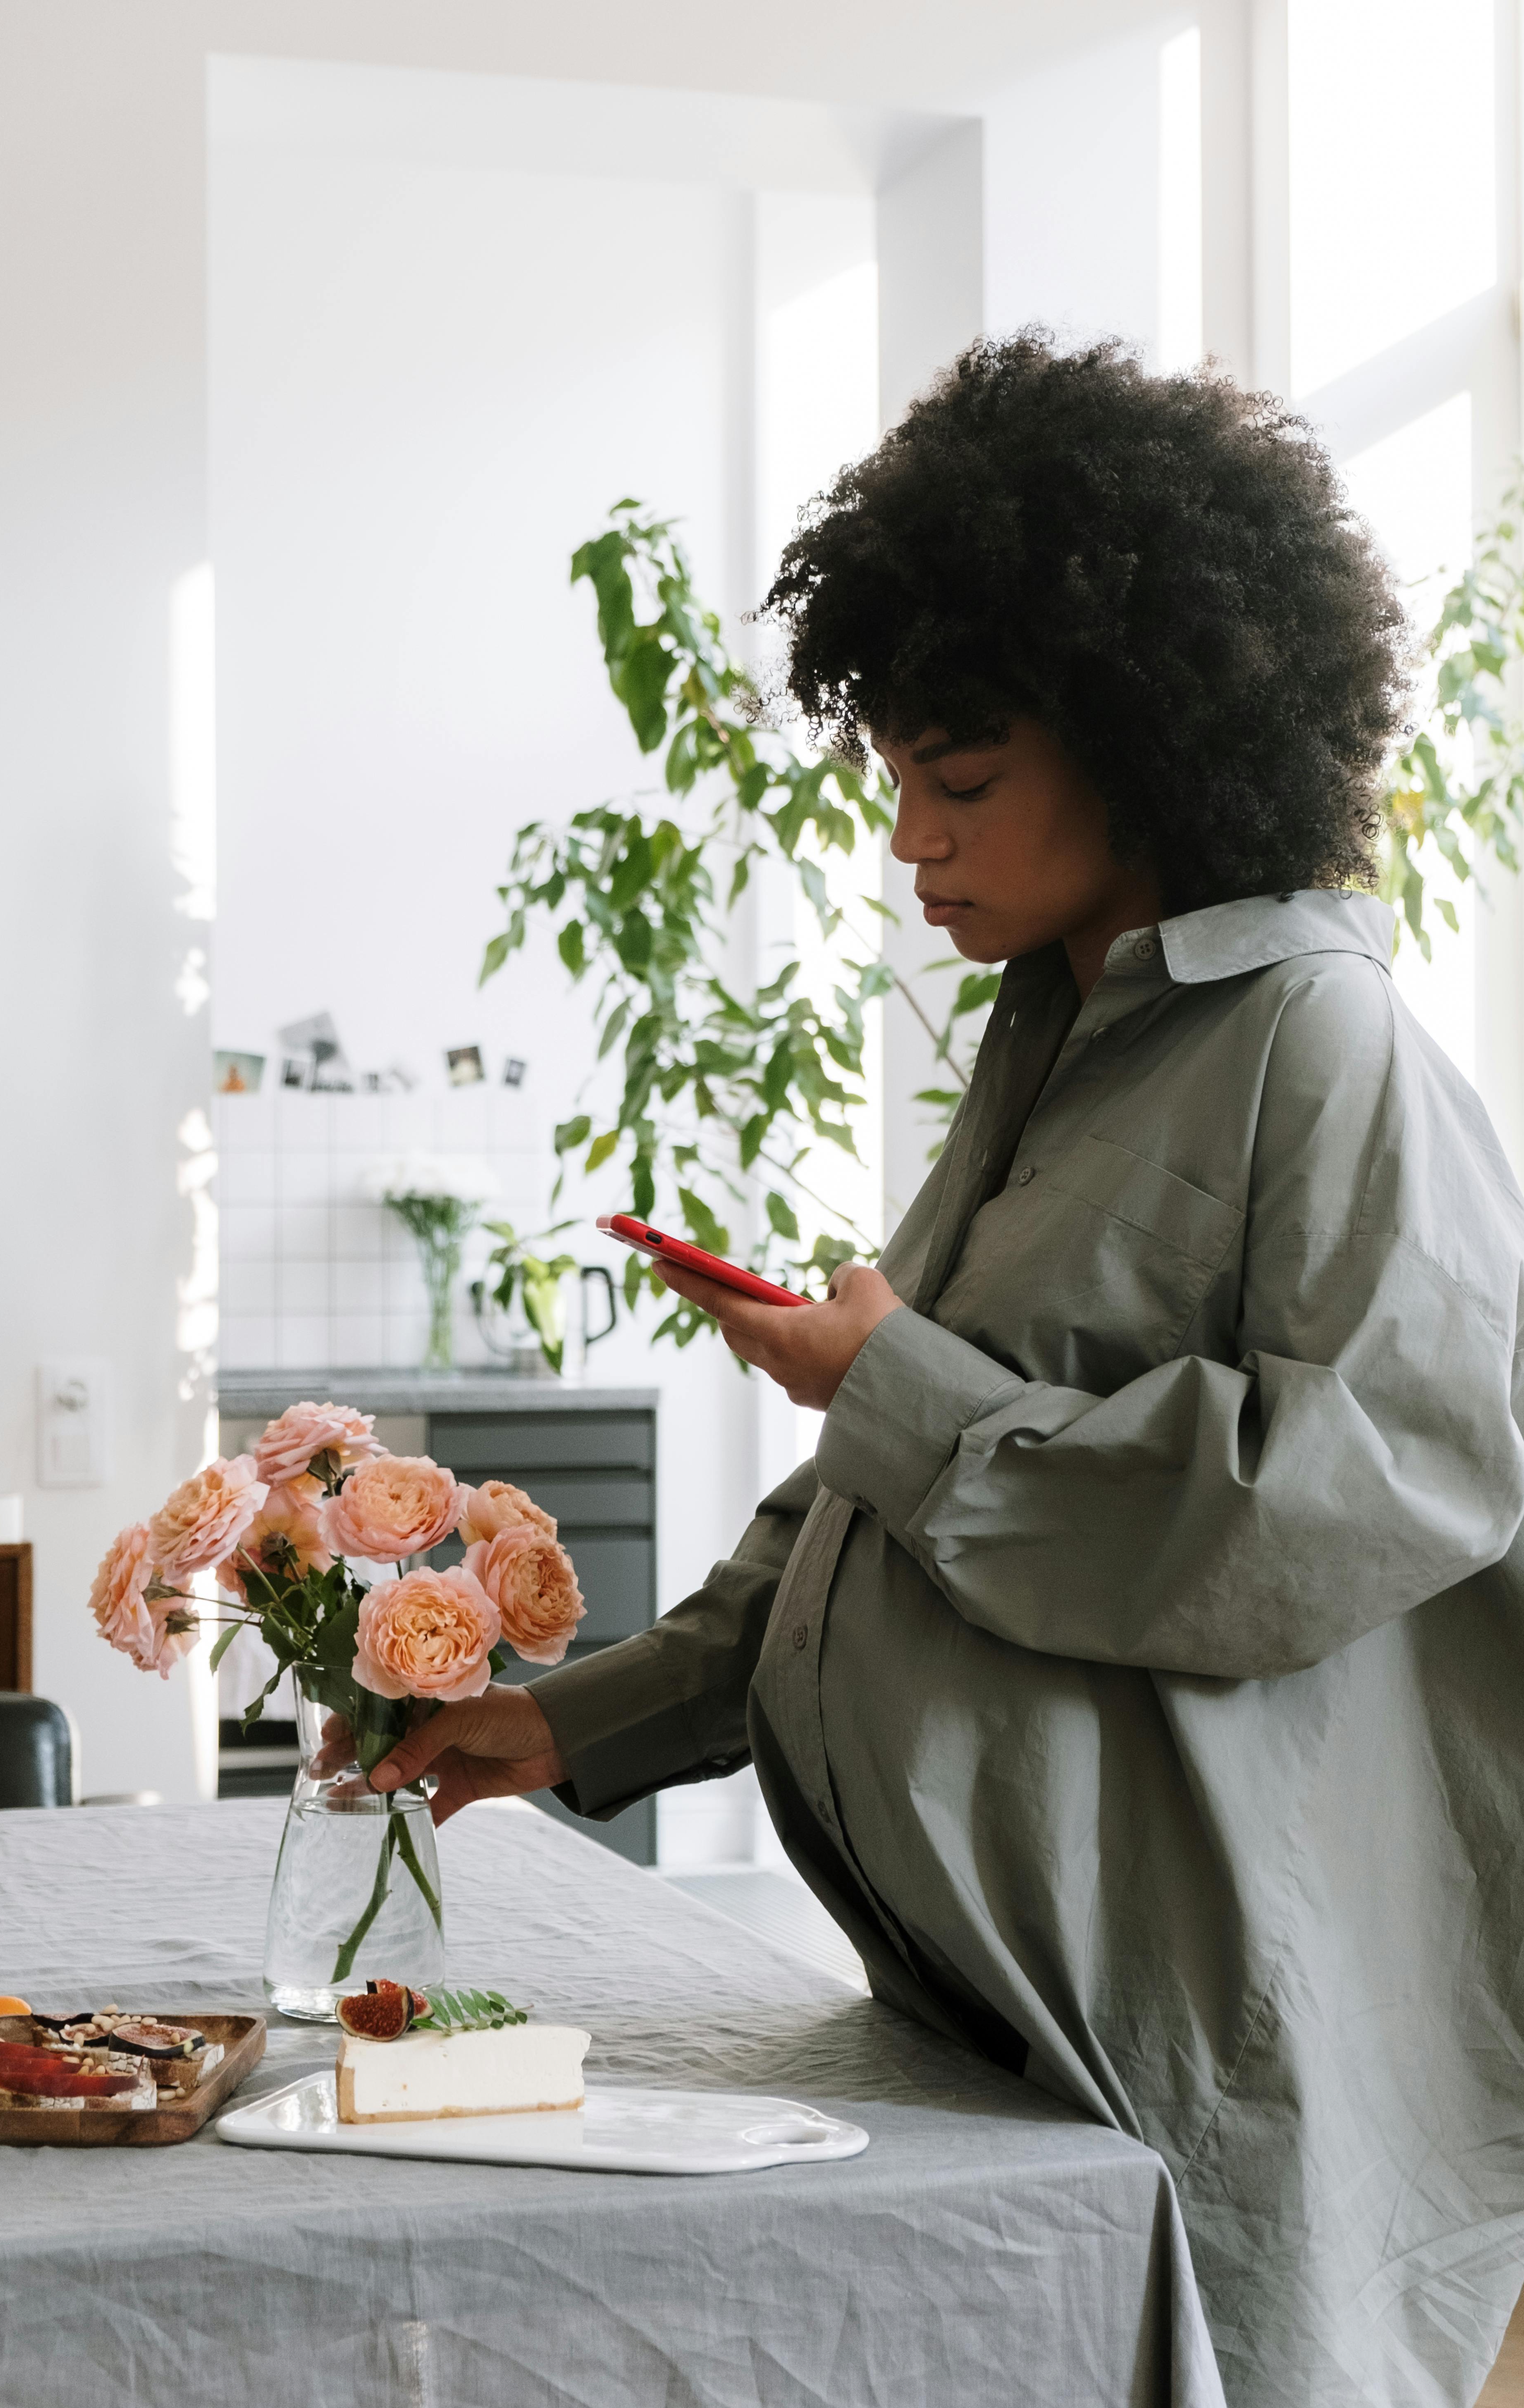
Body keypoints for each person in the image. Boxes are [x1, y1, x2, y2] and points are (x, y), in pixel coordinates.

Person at [362, 339, 1524, 2408]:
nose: (911, 843)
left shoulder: (1318, 1045)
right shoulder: (1054, 1032)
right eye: (895, 780)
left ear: (1151, 742)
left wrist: (887, 1383)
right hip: (992, 2012)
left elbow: (1355, 1501)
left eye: (962, 784)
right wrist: (579, 1721)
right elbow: (887, 1496)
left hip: (1188, 2023)